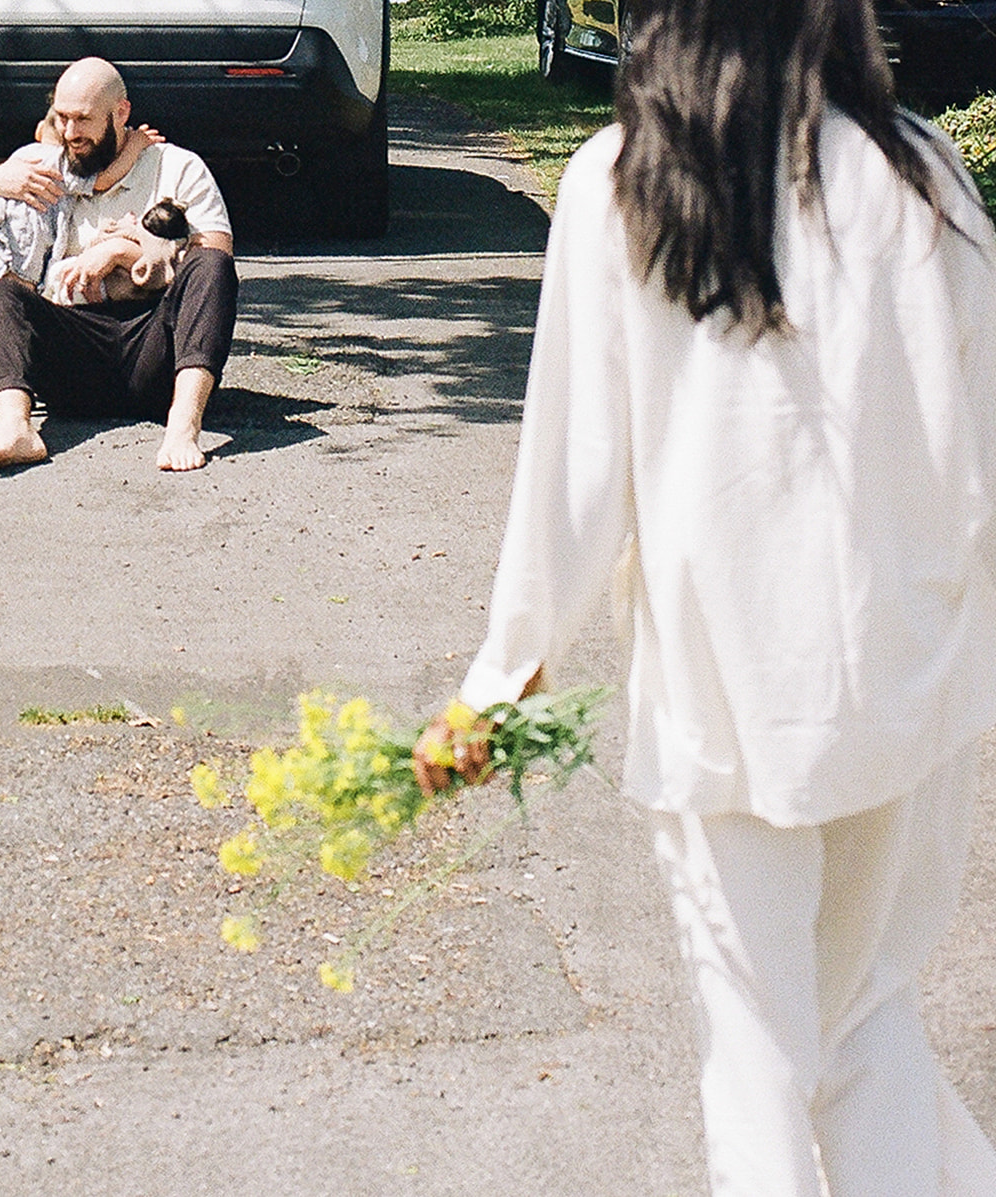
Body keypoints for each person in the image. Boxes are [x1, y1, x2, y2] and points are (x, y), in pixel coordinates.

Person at [413, 0, 996, 1193]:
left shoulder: (624, 178)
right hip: (910, 672)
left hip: (729, 687)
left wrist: (503, 675)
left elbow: (578, 472)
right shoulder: (921, 170)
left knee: (758, 1057)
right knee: (870, 1023)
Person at [0, 56, 238, 473]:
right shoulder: (40, 168)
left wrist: (121, 253)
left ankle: (183, 426)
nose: (69, 133)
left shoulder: (177, 167)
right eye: (61, 118)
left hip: (157, 349)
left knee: (211, 265)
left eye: (82, 120)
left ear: (121, 113)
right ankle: (15, 428)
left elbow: (211, 261)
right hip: (73, 353)